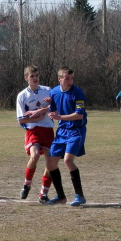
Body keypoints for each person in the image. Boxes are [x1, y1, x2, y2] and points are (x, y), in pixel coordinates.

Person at [45, 67, 87, 206]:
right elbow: (53, 110)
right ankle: (61, 196)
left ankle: (79, 195)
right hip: (62, 131)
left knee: (68, 160)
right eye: (67, 78)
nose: (70, 81)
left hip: (76, 130)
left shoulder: (78, 93)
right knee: (51, 163)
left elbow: (79, 115)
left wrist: (59, 116)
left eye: (72, 78)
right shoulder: (54, 92)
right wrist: (48, 110)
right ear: (60, 79)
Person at [15, 66, 54, 204]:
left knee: (51, 162)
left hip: (48, 129)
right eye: (32, 76)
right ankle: (27, 184)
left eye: (37, 75)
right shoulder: (22, 96)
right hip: (33, 129)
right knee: (35, 154)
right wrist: (36, 118)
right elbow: (21, 119)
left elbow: (56, 105)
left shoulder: (48, 91)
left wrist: (47, 107)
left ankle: (43, 193)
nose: (35, 78)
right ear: (26, 78)